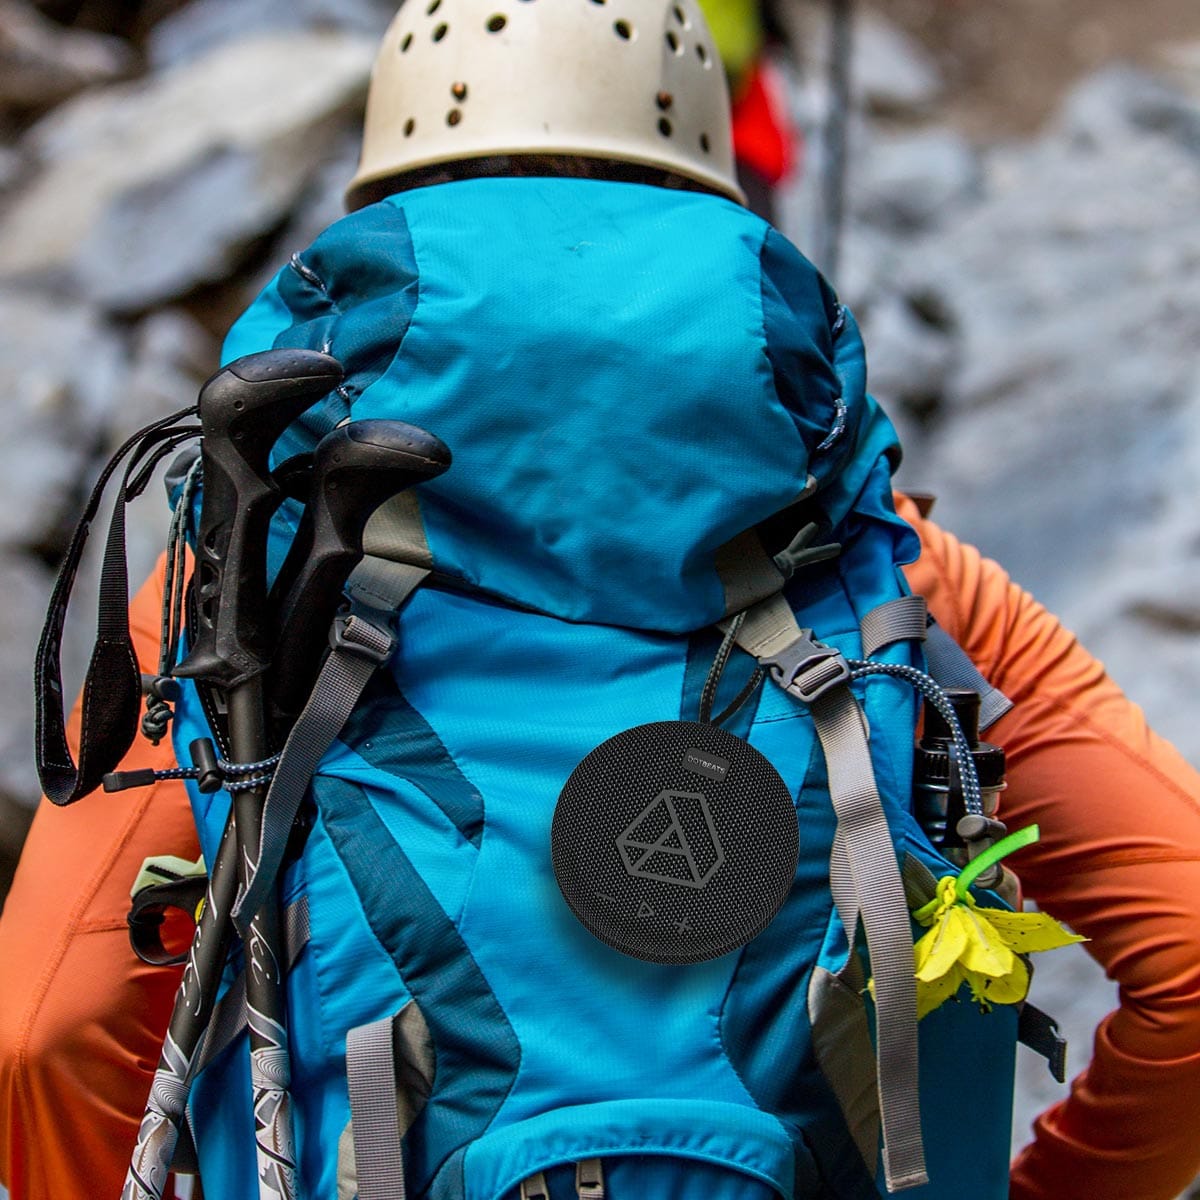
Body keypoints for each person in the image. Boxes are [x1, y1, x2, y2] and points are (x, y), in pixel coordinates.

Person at [3, 2, 1200, 1198]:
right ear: (708, 178)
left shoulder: (251, 564)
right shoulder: (890, 565)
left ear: (387, 185)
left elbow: (46, 1032)